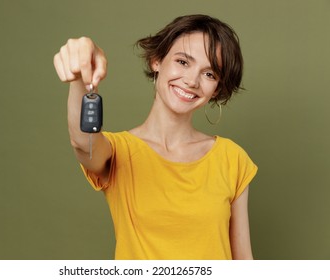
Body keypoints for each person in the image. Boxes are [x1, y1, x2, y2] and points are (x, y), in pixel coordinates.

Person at [53, 14, 258, 260]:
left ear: (216, 90)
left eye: (209, 74)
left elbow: (243, 262)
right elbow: (82, 142)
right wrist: (81, 77)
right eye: (183, 62)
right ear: (156, 61)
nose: (192, 81)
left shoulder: (231, 158)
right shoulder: (120, 151)